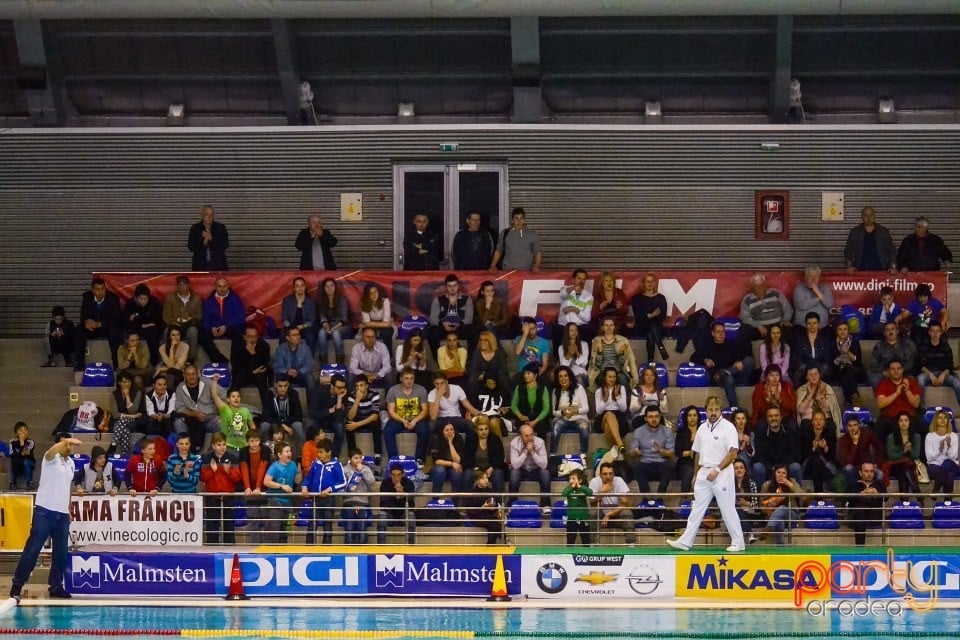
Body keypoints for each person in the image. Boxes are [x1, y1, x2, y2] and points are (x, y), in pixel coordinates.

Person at [668, 396, 746, 553]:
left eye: (716, 410)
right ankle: (685, 541)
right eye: (710, 410)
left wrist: (717, 469)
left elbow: (733, 453)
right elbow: (697, 453)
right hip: (704, 471)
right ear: (706, 410)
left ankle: (739, 542)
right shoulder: (702, 428)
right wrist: (696, 474)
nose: (713, 413)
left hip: (722, 472)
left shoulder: (728, 427)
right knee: (697, 507)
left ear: (721, 411)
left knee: (727, 508)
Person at [10, 433, 83, 601]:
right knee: (33, 549)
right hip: (45, 512)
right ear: (60, 444)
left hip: (62, 514)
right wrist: (66, 441)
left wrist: (68, 507)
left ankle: (56, 586)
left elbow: (67, 487)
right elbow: (51, 452)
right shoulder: (49, 459)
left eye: (71, 445)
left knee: (61, 553)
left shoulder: (71, 463)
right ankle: (17, 585)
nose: (70, 448)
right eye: (67, 444)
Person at [693, 321, 754, 408]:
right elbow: (694, 358)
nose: (721, 334)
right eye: (718, 332)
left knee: (749, 360)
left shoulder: (731, 344)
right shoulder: (707, 346)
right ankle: (734, 409)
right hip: (719, 377)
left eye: (723, 332)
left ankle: (728, 372)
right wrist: (705, 360)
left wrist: (739, 361)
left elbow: (742, 354)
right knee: (728, 378)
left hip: (735, 373)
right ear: (713, 333)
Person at [300, 437, 347, 544]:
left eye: (321, 452)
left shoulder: (336, 465)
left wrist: (330, 490)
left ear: (329, 452)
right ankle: (309, 549)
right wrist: (304, 486)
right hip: (315, 499)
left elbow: (343, 482)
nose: (319, 454)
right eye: (318, 452)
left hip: (329, 499)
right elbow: (308, 477)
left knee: (327, 525)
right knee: (312, 525)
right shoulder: (315, 463)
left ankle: (327, 550)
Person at [383, 367, 431, 464]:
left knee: (424, 430)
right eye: (406, 378)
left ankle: (419, 459)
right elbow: (391, 411)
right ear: (401, 379)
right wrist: (403, 420)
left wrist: (414, 421)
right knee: (388, 430)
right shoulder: (393, 390)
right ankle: (393, 459)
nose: (409, 381)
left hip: (416, 419)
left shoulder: (421, 390)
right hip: (399, 418)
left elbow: (425, 410)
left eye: (411, 378)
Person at [73, 277, 122, 371]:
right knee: (79, 330)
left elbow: (115, 318)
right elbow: (83, 315)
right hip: (92, 328)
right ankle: (79, 364)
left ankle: (116, 364)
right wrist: (86, 322)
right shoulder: (87, 297)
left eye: (103, 289)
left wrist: (100, 324)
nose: (100, 292)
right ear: (92, 290)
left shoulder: (113, 298)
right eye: (97, 289)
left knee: (115, 331)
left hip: (106, 327)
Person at [172, 362, 223, 452]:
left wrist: (220, 405)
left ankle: (214, 451)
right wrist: (193, 413)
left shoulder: (207, 383)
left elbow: (223, 394)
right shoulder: (180, 388)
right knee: (178, 422)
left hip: (209, 418)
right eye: (188, 374)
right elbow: (179, 408)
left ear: (198, 373)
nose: (191, 377)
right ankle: (184, 451)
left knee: (220, 421)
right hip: (191, 420)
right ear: (184, 375)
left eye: (193, 374)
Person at [626, 405, 676, 495]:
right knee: (637, 466)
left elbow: (671, 453)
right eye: (651, 417)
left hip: (661, 462)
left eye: (656, 416)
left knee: (670, 465)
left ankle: (660, 496)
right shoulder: (638, 431)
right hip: (645, 462)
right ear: (645, 418)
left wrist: (660, 450)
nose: (654, 419)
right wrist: (635, 452)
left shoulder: (667, 431)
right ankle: (646, 498)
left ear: (660, 417)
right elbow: (631, 452)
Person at [874, 358, 923, 442]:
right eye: (893, 369)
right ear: (888, 371)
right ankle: (883, 455)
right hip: (889, 417)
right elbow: (881, 404)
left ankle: (920, 454)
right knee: (879, 428)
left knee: (924, 426)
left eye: (898, 368)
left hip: (909, 416)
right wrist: (896, 393)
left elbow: (916, 404)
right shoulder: (883, 384)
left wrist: (907, 390)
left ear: (902, 369)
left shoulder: (912, 382)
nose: (896, 371)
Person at [752, 406, 802, 487]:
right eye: (770, 416)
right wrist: (772, 468)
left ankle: (798, 498)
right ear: (766, 419)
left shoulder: (790, 432)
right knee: (757, 467)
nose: (773, 418)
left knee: (796, 467)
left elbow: (795, 454)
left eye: (776, 415)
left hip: (785, 467)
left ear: (781, 417)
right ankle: (757, 497)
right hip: (768, 468)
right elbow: (759, 455)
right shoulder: (761, 433)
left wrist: (783, 467)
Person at [161, 276, 207, 361]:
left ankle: (191, 359)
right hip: (174, 325)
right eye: (180, 284)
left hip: (189, 325)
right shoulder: (170, 298)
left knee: (193, 332)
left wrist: (190, 319)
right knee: (167, 331)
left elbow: (199, 315)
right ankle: (166, 358)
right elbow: (166, 316)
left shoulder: (196, 298)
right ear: (177, 286)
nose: (182, 287)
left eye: (184, 284)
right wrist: (173, 322)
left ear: (188, 285)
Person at [589, 461, 636, 544]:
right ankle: (592, 545)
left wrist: (609, 514)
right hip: (600, 513)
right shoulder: (594, 482)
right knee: (592, 513)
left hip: (616, 512)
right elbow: (592, 505)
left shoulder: (619, 480)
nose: (608, 477)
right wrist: (601, 493)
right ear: (600, 475)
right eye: (605, 474)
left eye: (611, 474)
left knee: (628, 513)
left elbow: (625, 504)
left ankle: (631, 545)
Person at [588, 315, 639, 392]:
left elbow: (630, 362)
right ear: (602, 327)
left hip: (618, 371)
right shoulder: (596, 341)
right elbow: (596, 364)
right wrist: (599, 352)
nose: (609, 328)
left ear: (614, 327)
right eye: (606, 325)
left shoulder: (623, 341)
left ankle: (627, 403)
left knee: (624, 382)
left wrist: (635, 379)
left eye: (611, 325)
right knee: (602, 381)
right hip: (601, 371)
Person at [263, 443, 301, 544]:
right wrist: (281, 486)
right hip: (275, 500)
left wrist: (300, 472)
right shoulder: (274, 467)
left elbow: (297, 481)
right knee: (275, 529)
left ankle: (283, 551)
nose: (290, 453)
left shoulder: (293, 465)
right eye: (287, 451)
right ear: (279, 455)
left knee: (285, 531)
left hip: (288, 502)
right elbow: (266, 481)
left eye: (290, 451)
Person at [259, 375, 305, 456]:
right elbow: (266, 414)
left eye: (285, 386)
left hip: (290, 421)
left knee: (298, 426)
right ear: (275, 385)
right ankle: (265, 454)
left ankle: (299, 456)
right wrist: (283, 426)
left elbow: (298, 414)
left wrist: (287, 424)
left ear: (288, 385)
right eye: (280, 386)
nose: (283, 388)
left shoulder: (293, 394)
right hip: (274, 422)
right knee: (264, 426)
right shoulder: (269, 393)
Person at [739, 273, 793, 342]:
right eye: (756, 286)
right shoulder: (747, 299)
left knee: (789, 329)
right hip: (760, 327)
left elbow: (788, 309)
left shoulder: (776, 293)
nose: (759, 288)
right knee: (744, 331)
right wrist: (758, 326)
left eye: (761, 285)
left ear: (765, 284)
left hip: (778, 324)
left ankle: (786, 352)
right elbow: (744, 318)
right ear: (752, 287)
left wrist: (785, 320)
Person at [509, 423, 551, 511]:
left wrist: (532, 452)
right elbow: (515, 465)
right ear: (520, 436)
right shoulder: (514, 443)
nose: (530, 438)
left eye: (531, 435)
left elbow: (544, 464)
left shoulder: (540, 442)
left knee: (545, 473)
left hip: (536, 470)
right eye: (526, 436)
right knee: (514, 473)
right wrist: (525, 452)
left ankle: (545, 504)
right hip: (522, 469)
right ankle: (512, 503)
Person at [210, 375, 257, 453]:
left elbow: (252, 425)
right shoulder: (225, 409)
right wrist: (215, 381)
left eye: (238, 396)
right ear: (228, 399)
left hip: (244, 446)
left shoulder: (245, 410)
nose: (236, 398)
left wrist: (253, 439)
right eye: (233, 396)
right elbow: (214, 395)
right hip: (229, 447)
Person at [917, 322, 960, 407]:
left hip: (943, 373)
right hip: (927, 373)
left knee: (956, 383)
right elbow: (920, 365)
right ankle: (921, 410)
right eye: (933, 331)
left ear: (941, 332)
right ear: (929, 332)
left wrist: (943, 374)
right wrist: (930, 374)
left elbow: (950, 365)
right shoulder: (922, 346)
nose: (935, 334)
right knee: (920, 380)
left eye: (937, 331)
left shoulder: (946, 347)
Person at [759, 464, 803, 545]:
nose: (781, 475)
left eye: (784, 473)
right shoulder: (767, 485)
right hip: (773, 515)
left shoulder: (792, 481)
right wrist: (767, 510)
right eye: (778, 472)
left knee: (782, 508)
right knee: (779, 518)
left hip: (792, 514)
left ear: (787, 475)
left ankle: (768, 528)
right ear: (774, 473)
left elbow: (803, 496)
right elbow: (761, 505)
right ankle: (780, 546)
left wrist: (789, 484)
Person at [428, 274, 474, 351]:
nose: (452, 288)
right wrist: (442, 324)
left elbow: (469, 318)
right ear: (446, 287)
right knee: (431, 334)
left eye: (454, 285)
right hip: (443, 327)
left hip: (460, 327)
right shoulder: (438, 300)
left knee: (473, 333)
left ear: (458, 285)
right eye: (450, 286)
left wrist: (459, 324)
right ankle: (439, 360)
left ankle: (469, 360)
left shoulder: (467, 299)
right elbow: (433, 319)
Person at [305, 374, 348, 458]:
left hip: (332, 421)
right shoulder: (319, 392)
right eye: (339, 387)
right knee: (310, 424)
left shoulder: (344, 394)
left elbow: (339, 418)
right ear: (332, 386)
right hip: (319, 419)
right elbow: (312, 413)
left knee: (339, 426)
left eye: (343, 387)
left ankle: (334, 457)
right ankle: (311, 455)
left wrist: (339, 399)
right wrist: (329, 411)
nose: (342, 390)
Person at [837, 416, 886, 489]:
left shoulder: (866, 433)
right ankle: (855, 497)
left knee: (880, 474)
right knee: (848, 468)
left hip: (867, 466)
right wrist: (855, 443)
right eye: (850, 426)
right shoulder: (842, 441)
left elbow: (880, 447)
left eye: (855, 425)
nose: (853, 428)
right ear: (846, 427)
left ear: (859, 425)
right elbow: (848, 462)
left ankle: (878, 498)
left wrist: (876, 463)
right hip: (854, 467)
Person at [239, 429, 272, 538]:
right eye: (252, 441)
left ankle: (267, 548)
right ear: (247, 441)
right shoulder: (243, 451)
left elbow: (263, 469)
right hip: (250, 491)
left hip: (263, 489)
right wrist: (248, 487)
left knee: (267, 520)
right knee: (253, 520)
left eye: (257, 440)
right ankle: (253, 546)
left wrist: (258, 487)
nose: (254, 443)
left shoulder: (265, 450)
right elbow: (244, 470)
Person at [550, 366, 591, 454]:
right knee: (556, 428)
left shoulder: (579, 388)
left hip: (579, 419)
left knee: (584, 430)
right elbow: (554, 412)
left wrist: (574, 412)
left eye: (565, 376)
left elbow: (586, 408)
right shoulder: (555, 391)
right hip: (563, 419)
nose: (563, 378)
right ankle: (553, 455)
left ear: (570, 377)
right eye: (560, 376)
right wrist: (562, 413)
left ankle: (582, 455)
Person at [201, 278, 244, 360]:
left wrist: (226, 326)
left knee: (238, 334)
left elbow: (240, 317)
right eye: (219, 286)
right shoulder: (209, 300)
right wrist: (211, 327)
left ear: (228, 286)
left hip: (229, 328)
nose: (222, 289)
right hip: (214, 328)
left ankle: (235, 362)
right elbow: (205, 317)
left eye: (224, 286)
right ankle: (219, 359)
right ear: (215, 287)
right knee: (201, 335)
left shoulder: (235, 299)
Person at [844, 206, 896, 273]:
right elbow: (848, 251)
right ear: (862, 217)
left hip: (881, 272)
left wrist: (893, 267)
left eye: (871, 215)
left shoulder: (883, 232)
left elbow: (892, 251)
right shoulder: (855, 232)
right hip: (860, 272)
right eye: (866, 215)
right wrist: (849, 266)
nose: (869, 218)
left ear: (874, 216)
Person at [231, 325, 273, 408]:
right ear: (244, 336)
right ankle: (232, 408)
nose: (252, 339)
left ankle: (267, 410)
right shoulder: (237, 345)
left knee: (262, 378)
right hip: (244, 373)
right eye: (249, 337)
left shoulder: (263, 345)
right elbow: (235, 365)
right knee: (236, 380)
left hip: (259, 374)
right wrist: (251, 371)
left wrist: (253, 353)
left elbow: (263, 365)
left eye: (255, 336)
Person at [630, 273, 669, 361]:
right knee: (651, 324)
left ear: (655, 283)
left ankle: (650, 361)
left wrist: (654, 315)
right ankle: (661, 347)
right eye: (647, 281)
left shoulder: (661, 298)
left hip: (657, 327)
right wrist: (652, 315)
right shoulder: (637, 298)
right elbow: (639, 316)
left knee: (651, 330)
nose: (650, 283)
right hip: (641, 327)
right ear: (643, 283)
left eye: (652, 281)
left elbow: (663, 316)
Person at [489, 207, 542, 272]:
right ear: (512, 220)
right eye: (516, 218)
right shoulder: (505, 233)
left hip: (525, 273)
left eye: (521, 218)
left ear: (524, 219)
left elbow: (538, 253)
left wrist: (537, 266)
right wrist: (493, 265)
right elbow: (499, 251)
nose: (519, 221)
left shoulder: (532, 234)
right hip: (506, 272)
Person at [341, 448, 377, 543]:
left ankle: (363, 552)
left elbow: (372, 482)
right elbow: (340, 486)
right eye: (355, 458)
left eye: (360, 458)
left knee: (362, 529)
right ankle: (348, 553)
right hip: (348, 503)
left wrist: (362, 472)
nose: (358, 460)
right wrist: (347, 489)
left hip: (362, 503)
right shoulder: (344, 470)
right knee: (349, 529)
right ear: (350, 459)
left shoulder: (366, 469)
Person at [123, 284, 163, 364]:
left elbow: (156, 320)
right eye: (141, 299)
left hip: (150, 329)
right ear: (136, 298)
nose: (144, 301)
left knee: (153, 333)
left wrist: (137, 318)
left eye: (146, 299)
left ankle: (153, 362)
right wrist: (142, 324)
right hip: (135, 329)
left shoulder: (154, 302)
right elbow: (127, 321)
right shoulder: (130, 304)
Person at [510, 363, 552, 442]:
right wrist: (520, 416)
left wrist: (535, 421)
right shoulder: (519, 388)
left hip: (539, 419)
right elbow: (513, 405)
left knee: (542, 429)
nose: (526, 376)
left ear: (535, 375)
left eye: (528, 373)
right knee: (523, 429)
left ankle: (541, 453)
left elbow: (546, 409)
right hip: (524, 418)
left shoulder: (543, 388)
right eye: (525, 373)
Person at [377, 462, 417, 544]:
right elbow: (383, 504)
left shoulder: (409, 483)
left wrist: (402, 495)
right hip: (390, 514)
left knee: (411, 516)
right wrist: (395, 496)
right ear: (390, 474)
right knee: (381, 515)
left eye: (399, 475)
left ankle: (411, 546)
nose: (396, 478)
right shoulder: (385, 483)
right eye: (393, 475)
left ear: (403, 474)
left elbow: (411, 505)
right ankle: (381, 547)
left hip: (403, 514)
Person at [594, 367, 631, 455]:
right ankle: (620, 444)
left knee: (608, 426)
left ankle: (615, 452)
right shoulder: (599, 391)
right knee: (608, 414)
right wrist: (605, 399)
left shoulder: (621, 388)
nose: (612, 379)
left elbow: (623, 409)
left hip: (619, 417)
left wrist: (617, 396)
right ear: (605, 378)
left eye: (614, 377)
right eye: (610, 377)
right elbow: (598, 411)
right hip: (603, 416)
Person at [796, 366, 842, 436]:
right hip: (808, 419)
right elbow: (800, 411)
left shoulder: (827, 388)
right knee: (805, 426)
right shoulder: (801, 390)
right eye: (811, 375)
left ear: (819, 375)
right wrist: (811, 394)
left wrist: (820, 396)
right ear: (807, 377)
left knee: (831, 426)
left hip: (825, 417)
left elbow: (830, 409)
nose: (814, 377)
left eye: (816, 374)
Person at [870, 323, 919, 388]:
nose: (890, 332)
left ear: (897, 331)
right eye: (887, 330)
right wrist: (884, 372)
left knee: (911, 379)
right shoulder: (879, 346)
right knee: (874, 379)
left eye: (893, 329)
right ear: (884, 333)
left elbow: (911, 362)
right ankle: (881, 398)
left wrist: (899, 372)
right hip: (885, 373)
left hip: (904, 373)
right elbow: (874, 363)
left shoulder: (907, 345)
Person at [345, 376, 382, 460]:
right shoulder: (352, 396)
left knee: (376, 423)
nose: (359, 388)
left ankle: (377, 454)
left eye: (361, 385)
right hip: (358, 418)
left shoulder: (374, 395)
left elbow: (374, 416)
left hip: (369, 419)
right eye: (357, 386)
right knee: (348, 424)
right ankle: (352, 454)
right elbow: (350, 417)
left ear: (367, 386)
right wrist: (357, 400)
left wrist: (357, 424)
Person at [847, 462, 885, 545]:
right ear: (860, 473)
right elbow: (848, 499)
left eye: (871, 471)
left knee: (861, 512)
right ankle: (860, 549)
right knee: (860, 514)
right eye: (866, 471)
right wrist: (860, 494)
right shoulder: (853, 485)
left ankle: (860, 549)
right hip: (857, 516)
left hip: (873, 515)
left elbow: (885, 498)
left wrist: (878, 494)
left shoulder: (879, 484)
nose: (869, 474)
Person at [884, 411, 922, 495]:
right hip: (894, 465)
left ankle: (904, 501)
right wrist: (903, 451)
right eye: (901, 421)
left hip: (910, 465)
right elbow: (891, 456)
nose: (904, 423)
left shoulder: (916, 436)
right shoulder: (891, 437)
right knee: (904, 467)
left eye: (906, 420)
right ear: (897, 423)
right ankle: (917, 492)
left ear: (909, 422)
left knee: (903, 473)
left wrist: (910, 449)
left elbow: (916, 456)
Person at [751, 364, 797, 432]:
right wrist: (767, 402)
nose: (775, 378)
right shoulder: (759, 388)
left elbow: (792, 407)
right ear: (766, 377)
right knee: (761, 425)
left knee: (792, 424)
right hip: (765, 416)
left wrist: (780, 401)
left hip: (783, 416)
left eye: (777, 375)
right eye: (772, 375)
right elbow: (757, 409)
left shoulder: (786, 387)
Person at [800, 410, 838, 493]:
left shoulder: (830, 434)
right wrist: (813, 448)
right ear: (812, 422)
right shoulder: (806, 434)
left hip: (826, 463)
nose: (818, 422)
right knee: (816, 461)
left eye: (821, 419)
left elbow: (833, 456)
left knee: (820, 465)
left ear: (825, 422)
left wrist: (825, 448)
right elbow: (802, 455)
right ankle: (819, 494)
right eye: (815, 419)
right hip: (809, 464)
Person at [829, 321, 865, 407]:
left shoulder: (854, 342)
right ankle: (855, 395)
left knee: (847, 369)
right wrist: (840, 358)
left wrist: (848, 352)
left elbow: (858, 361)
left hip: (854, 370)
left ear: (848, 331)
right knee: (845, 372)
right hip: (838, 371)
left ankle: (848, 401)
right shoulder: (832, 344)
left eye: (845, 329)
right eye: (840, 329)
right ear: (836, 331)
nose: (842, 332)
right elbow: (831, 363)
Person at [791, 312, 832, 387]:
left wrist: (816, 370)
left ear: (818, 324)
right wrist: (809, 370)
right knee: (800, 373)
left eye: (814, 323)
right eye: (809, 323)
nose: (812, 326)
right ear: (806, 325)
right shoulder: (800, 340)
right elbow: (798, 359)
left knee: (824, 371)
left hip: (821, 370)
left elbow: (827, 359)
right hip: (804, 370)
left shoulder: (825, 340)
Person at [902, 283, 949, 348]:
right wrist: (908, 322)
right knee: (917, 339)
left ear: (928, 296)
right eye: (920, 296)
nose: (923, 299)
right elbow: (904, 315)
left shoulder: (934, 302)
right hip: (919, 327)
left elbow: (945, 312)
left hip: (932, 326)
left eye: (925, 296)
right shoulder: (914, 303)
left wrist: (942, 324)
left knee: (943, 339)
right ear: (917, 296)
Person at [316, 277, 351, 364]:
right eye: (327, 286)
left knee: (335, 333)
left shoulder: (342, 299)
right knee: (321, 332)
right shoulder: (321, 300)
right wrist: (325, 324)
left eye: (332, 286)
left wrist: (333, 329)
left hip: (343, 326)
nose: (329, 288)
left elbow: (344, 319)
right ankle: (324, 364)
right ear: (324, 289)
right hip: (329, 326)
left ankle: (340, 364)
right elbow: (322, 316)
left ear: (335, 287)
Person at [110, 371, 146, 455]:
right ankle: (125, 453)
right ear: (119, 383)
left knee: (122, 421)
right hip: (118, 422)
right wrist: (132, 416)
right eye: (124, 382)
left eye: (129, 381)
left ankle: (114, 443)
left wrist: (127, 396)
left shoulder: (137, 393)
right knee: (125, 431)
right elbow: (115, 414)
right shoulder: (114, 394)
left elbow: (133, 410)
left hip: (133, 423)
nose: (127, 384)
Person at [463, 470, 502, 544]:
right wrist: (482, 507)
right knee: (493, 523)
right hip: (477, 517)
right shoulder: (472, 493)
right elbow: (469, 512)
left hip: (488, 515)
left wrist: (493, 508)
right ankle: (503, 539)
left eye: (486, 478)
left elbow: (496, 504)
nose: (486, 480)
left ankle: (491, 545)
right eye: (483, 478)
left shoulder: (490, 491)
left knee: (494, 522)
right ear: (477, 481)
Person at [281, 276, 319, 353]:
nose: (300, 288)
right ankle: (284, 360)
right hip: (291, 327)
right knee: (282, 335)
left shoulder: (311, 301)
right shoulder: (287, 300)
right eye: (297, 286)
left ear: (305, 287)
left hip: (306, 327)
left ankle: (309, 361)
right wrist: (290, 328)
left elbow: (312, 320)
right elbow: (284, 318)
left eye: (302, 285)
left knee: (310, 337)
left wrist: (302, 326)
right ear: (294, 288)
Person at [925, 410, 959, 495]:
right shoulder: (930, 436)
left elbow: (954, 456)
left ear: (948, 420)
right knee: (949, 475)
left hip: (951, 464)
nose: (943, 419)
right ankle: (948, 503)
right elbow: (929, 458)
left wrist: (948, 446)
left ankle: (936, 490)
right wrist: (940, 450)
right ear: (936, 420)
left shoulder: (953, 436)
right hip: (934, 466)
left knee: (947, 462)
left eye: (945, 418)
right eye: (940, 417)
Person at [556, 268, 593, 344]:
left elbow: (587, 318)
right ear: (573, 279)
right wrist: (574, 288)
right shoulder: (565, 289)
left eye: (584, 279)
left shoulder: (589, 296)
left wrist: (574, 309)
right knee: (557, 329)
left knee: (587, 329)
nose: (581, 281)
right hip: (564, 325)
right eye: (579, 278)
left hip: (579, 326)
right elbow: (563, 295)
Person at [429, 422, 469, 494]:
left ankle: (455, 500)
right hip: (439, 467)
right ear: (442, 432)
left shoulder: (458, 439)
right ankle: (435, 498)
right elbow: (436, 461)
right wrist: (452, 463)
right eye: (446, 430)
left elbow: (458, 460)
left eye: (451, 429)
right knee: (440, 470)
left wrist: (451, 444)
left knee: (456, 471)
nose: (450, 432)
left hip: (453, 468)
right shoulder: (436, 440)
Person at [188, 204, 229, 271]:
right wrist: (204, 242)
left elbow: (225, 244)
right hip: (200, 266)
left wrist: (211, 238)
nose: (209, 217)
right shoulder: (195, 228)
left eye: (211, 215)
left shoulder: (220, 227)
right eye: (206, 214)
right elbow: (191, 247)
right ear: (202, 215)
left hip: (218, 266)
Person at [468, 330, 509, 396]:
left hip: (496, 378)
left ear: (491, 341)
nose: (482, 342)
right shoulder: (476, 353)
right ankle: (473, 403)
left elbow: (503, 370)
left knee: (503, 377)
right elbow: (472, 370)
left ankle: (506, 403)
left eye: (485, 340)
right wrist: (484, 378)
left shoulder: (499, 353)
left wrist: (487, 375)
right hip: (482, 379)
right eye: (480, 340)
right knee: (472, 379)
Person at [471, 416, 506, 493]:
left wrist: (492, 468)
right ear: (476, 430)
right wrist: (476, 469)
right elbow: (467, 458)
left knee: (498, 473)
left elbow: (500, 457)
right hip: (475, 468)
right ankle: (463, 502)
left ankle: (500, 502)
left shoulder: (495, 439)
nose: (484, 432)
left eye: (486, 429)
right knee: (467, 473)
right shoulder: (471, 439)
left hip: (491, 468)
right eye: (481, 429)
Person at [274, 326, 315, 390]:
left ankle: (312, 400)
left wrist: (297, 372)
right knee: (279, 377)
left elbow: (309, 366)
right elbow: (277, 367)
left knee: (309, 378)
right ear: (287, 338)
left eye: (298, 334)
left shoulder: (306, 348)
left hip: (300, 374)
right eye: (294, 335)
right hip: (287, 374)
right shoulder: (280, 349)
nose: (297, 337)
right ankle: (282, 399)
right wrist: (287, 371)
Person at [359, 283, 394, 356]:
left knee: (386, 332)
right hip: (373, 326)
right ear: (367, 295)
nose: (374, 295)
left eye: (375, 292)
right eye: (371, 293)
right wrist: (368, 324)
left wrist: (369, 324)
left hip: (384, 328)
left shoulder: (385, 301)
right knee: (368, 332)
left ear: (378, 292)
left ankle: (389, 357)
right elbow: (367, 322)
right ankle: (368, 356)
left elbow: (386, 321)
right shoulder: (363, 303)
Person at [562, 468, 593, 546]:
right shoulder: (569, 489)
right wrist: (572, 487)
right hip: (572, 518)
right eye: (570, 479)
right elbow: (564, 493)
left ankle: (586, 555)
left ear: (580, 480)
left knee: (585, 539)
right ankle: (569, 555)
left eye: (573, 478)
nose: (571, 480)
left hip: (583, 518)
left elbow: (590, 493)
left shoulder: (583, 489)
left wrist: (580, 486)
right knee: (570, 539)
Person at [675, 406, 701, 493]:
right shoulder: (681, 432)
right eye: (689, 415)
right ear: (686, 417)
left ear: (698, 417)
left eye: (694, 415)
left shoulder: (704, 430)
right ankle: (684, 498)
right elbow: (678, 452)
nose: (692, 418)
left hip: (702, 461)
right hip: (685, 463)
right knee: (689, 470)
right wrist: (691, 452)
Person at [733, 459, 759, 543]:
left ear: (745, 470)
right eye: (736, 468)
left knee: (738, 510)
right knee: (736, 509)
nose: (739, 470)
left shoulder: (751, 483)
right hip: (733, 513)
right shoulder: (728, 483)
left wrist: (746, 503)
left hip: (749, 513)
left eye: (741, 468)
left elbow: (756, 505)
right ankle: (750, 533)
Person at [557, 322, 589, 388]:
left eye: (576, 330)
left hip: (581, 373)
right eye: (571, 330)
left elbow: (584, 363)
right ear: (567, 332)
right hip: (567, 374)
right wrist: (569, 354)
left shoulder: (584, 344)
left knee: (579, 380)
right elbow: (563, 366)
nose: (574, 332)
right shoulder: (561, 347)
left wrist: (576, 351)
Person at [10, 422, 37, 490]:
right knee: (14, 461)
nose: (23, 432)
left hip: (30, 463)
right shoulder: (12, 441)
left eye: (25, 430)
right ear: (16, 433)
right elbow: (12, 454)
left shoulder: (30, 442)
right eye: (21, 430)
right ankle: (13, 481)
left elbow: (27, 453)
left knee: (25, 461)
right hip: (17, 463)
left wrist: (22, 442)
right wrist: (21, 453)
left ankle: (29, 482)